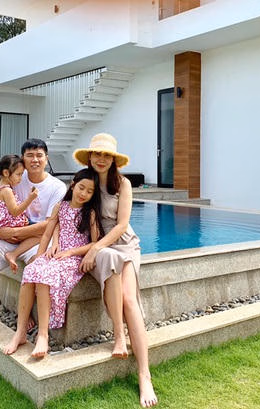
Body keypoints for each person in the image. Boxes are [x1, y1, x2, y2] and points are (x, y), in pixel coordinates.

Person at [74, 133, 158, 408]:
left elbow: (122, 225)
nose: (101, 159)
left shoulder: (123, 184)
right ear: (89, 157)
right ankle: (120, 338)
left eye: (106, 155)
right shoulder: (83, 182)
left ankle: (144, 374)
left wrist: (95, 248)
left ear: (113, 159)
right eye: (97, 154)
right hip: (99, 247)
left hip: (124, 245)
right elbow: (65, 211)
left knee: (129, 299)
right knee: (117, 286)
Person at [4, 168, 102, 358]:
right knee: (32, 269)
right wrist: (40, 256)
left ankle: (43, 335)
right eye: (81, 188)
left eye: (90, 191)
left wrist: (70, 252)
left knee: (43, 276)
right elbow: (47, 234)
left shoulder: (89, 213)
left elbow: (95, 243)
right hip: (57, 255)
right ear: (73, 185)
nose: (84, 194)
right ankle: (20, 331)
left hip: (73, 258)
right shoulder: (60, 207)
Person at [0, 139, 67, 327]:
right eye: (30, 155)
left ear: (47, 159)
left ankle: (26, 312)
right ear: (23, 158)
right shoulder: (16, 177)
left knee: (38, 263)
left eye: (39, 155)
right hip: (10, 235)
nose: (35, 160)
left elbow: (50, 224)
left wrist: (15, 232)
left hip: (36, 238)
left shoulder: (58, 187)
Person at [0, 154, 39, 271]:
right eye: (18, 174)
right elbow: (15, 212)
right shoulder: (7, 190)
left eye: (21, 174)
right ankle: (13, 254)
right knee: (40, 235)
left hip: (5, 226)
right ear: (6, 173)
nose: (20, 178)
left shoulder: (1, 186)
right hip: (11, 227)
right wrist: (30, 198)